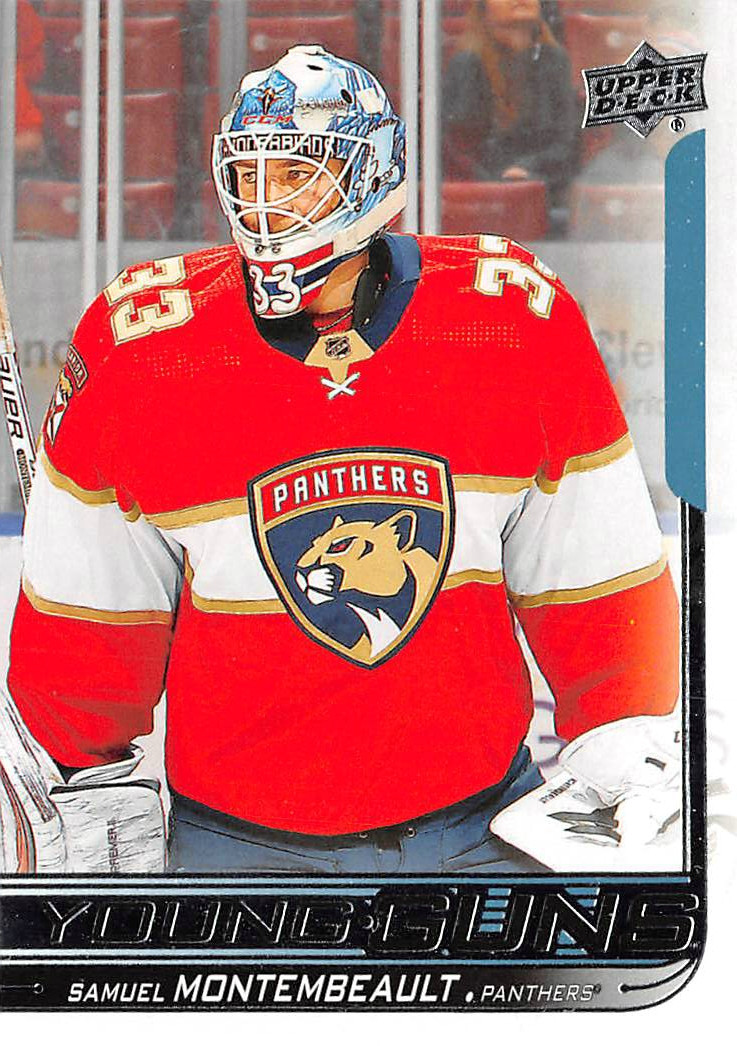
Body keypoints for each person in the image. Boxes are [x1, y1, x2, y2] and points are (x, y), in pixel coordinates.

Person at [1, 46, 678, 875]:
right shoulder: (145, 349)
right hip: (237, 850)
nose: (265, 202)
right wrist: (65, 766)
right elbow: (88, 625)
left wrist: (624, 730)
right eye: (248, 175)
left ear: (370, 175)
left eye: (296, 175)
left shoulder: (510, 322)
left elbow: (598, 577)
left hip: (476, 832)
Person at [444, 0, 579, 206]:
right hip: (487, 195)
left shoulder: (555, 60)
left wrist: (528, 168)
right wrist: (501, 181)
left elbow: (567, 143)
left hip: (547, 189)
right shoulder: (468, 64)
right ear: (483, 8)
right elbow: (459, 150)